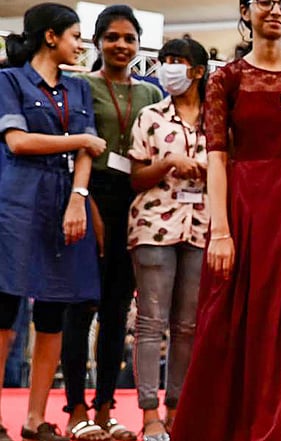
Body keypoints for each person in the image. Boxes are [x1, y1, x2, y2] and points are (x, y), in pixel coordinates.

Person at [170, 0, 281, 439]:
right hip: (242, 210)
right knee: (229, 322)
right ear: (246, 10)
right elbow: (217, 158)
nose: (276, 9)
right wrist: (219, 231)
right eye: (265, 1)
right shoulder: (226, 77)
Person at [0, 4, 104, 441]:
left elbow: (88, 154)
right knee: (5, 310)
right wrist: (80, 138)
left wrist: (79, 198)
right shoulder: (9, 80)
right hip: (18, 200)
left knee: (54, 311)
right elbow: (18, 141)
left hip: (66, 202)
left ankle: (35, 418)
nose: (81, 44)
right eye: (75, 35)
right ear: (50, 36)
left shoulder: (79, 89)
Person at [61, 6, 163, 441]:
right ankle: (75, 409)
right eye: (112, 37)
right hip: (87, 197)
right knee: (80, 306)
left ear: (139, 45)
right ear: (97, 42)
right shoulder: (80, 85)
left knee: (118, 310)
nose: (121, 45)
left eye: (129, 38)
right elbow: (74, 151)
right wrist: (84, 204)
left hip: (136, 202)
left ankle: (105, 408)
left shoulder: (152, 93)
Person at [127, 37, 210, 441]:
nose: (168, 67)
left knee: (188, 326)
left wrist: (212, 171)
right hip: (153, 227)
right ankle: (149, 415)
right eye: (164, 61)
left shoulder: (219, 118)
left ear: (197, 70)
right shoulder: (150, 116)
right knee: (149, 322)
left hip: (203, 228)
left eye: (177, 61)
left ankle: (177, 410)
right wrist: (168, 163)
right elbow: (135, 176)